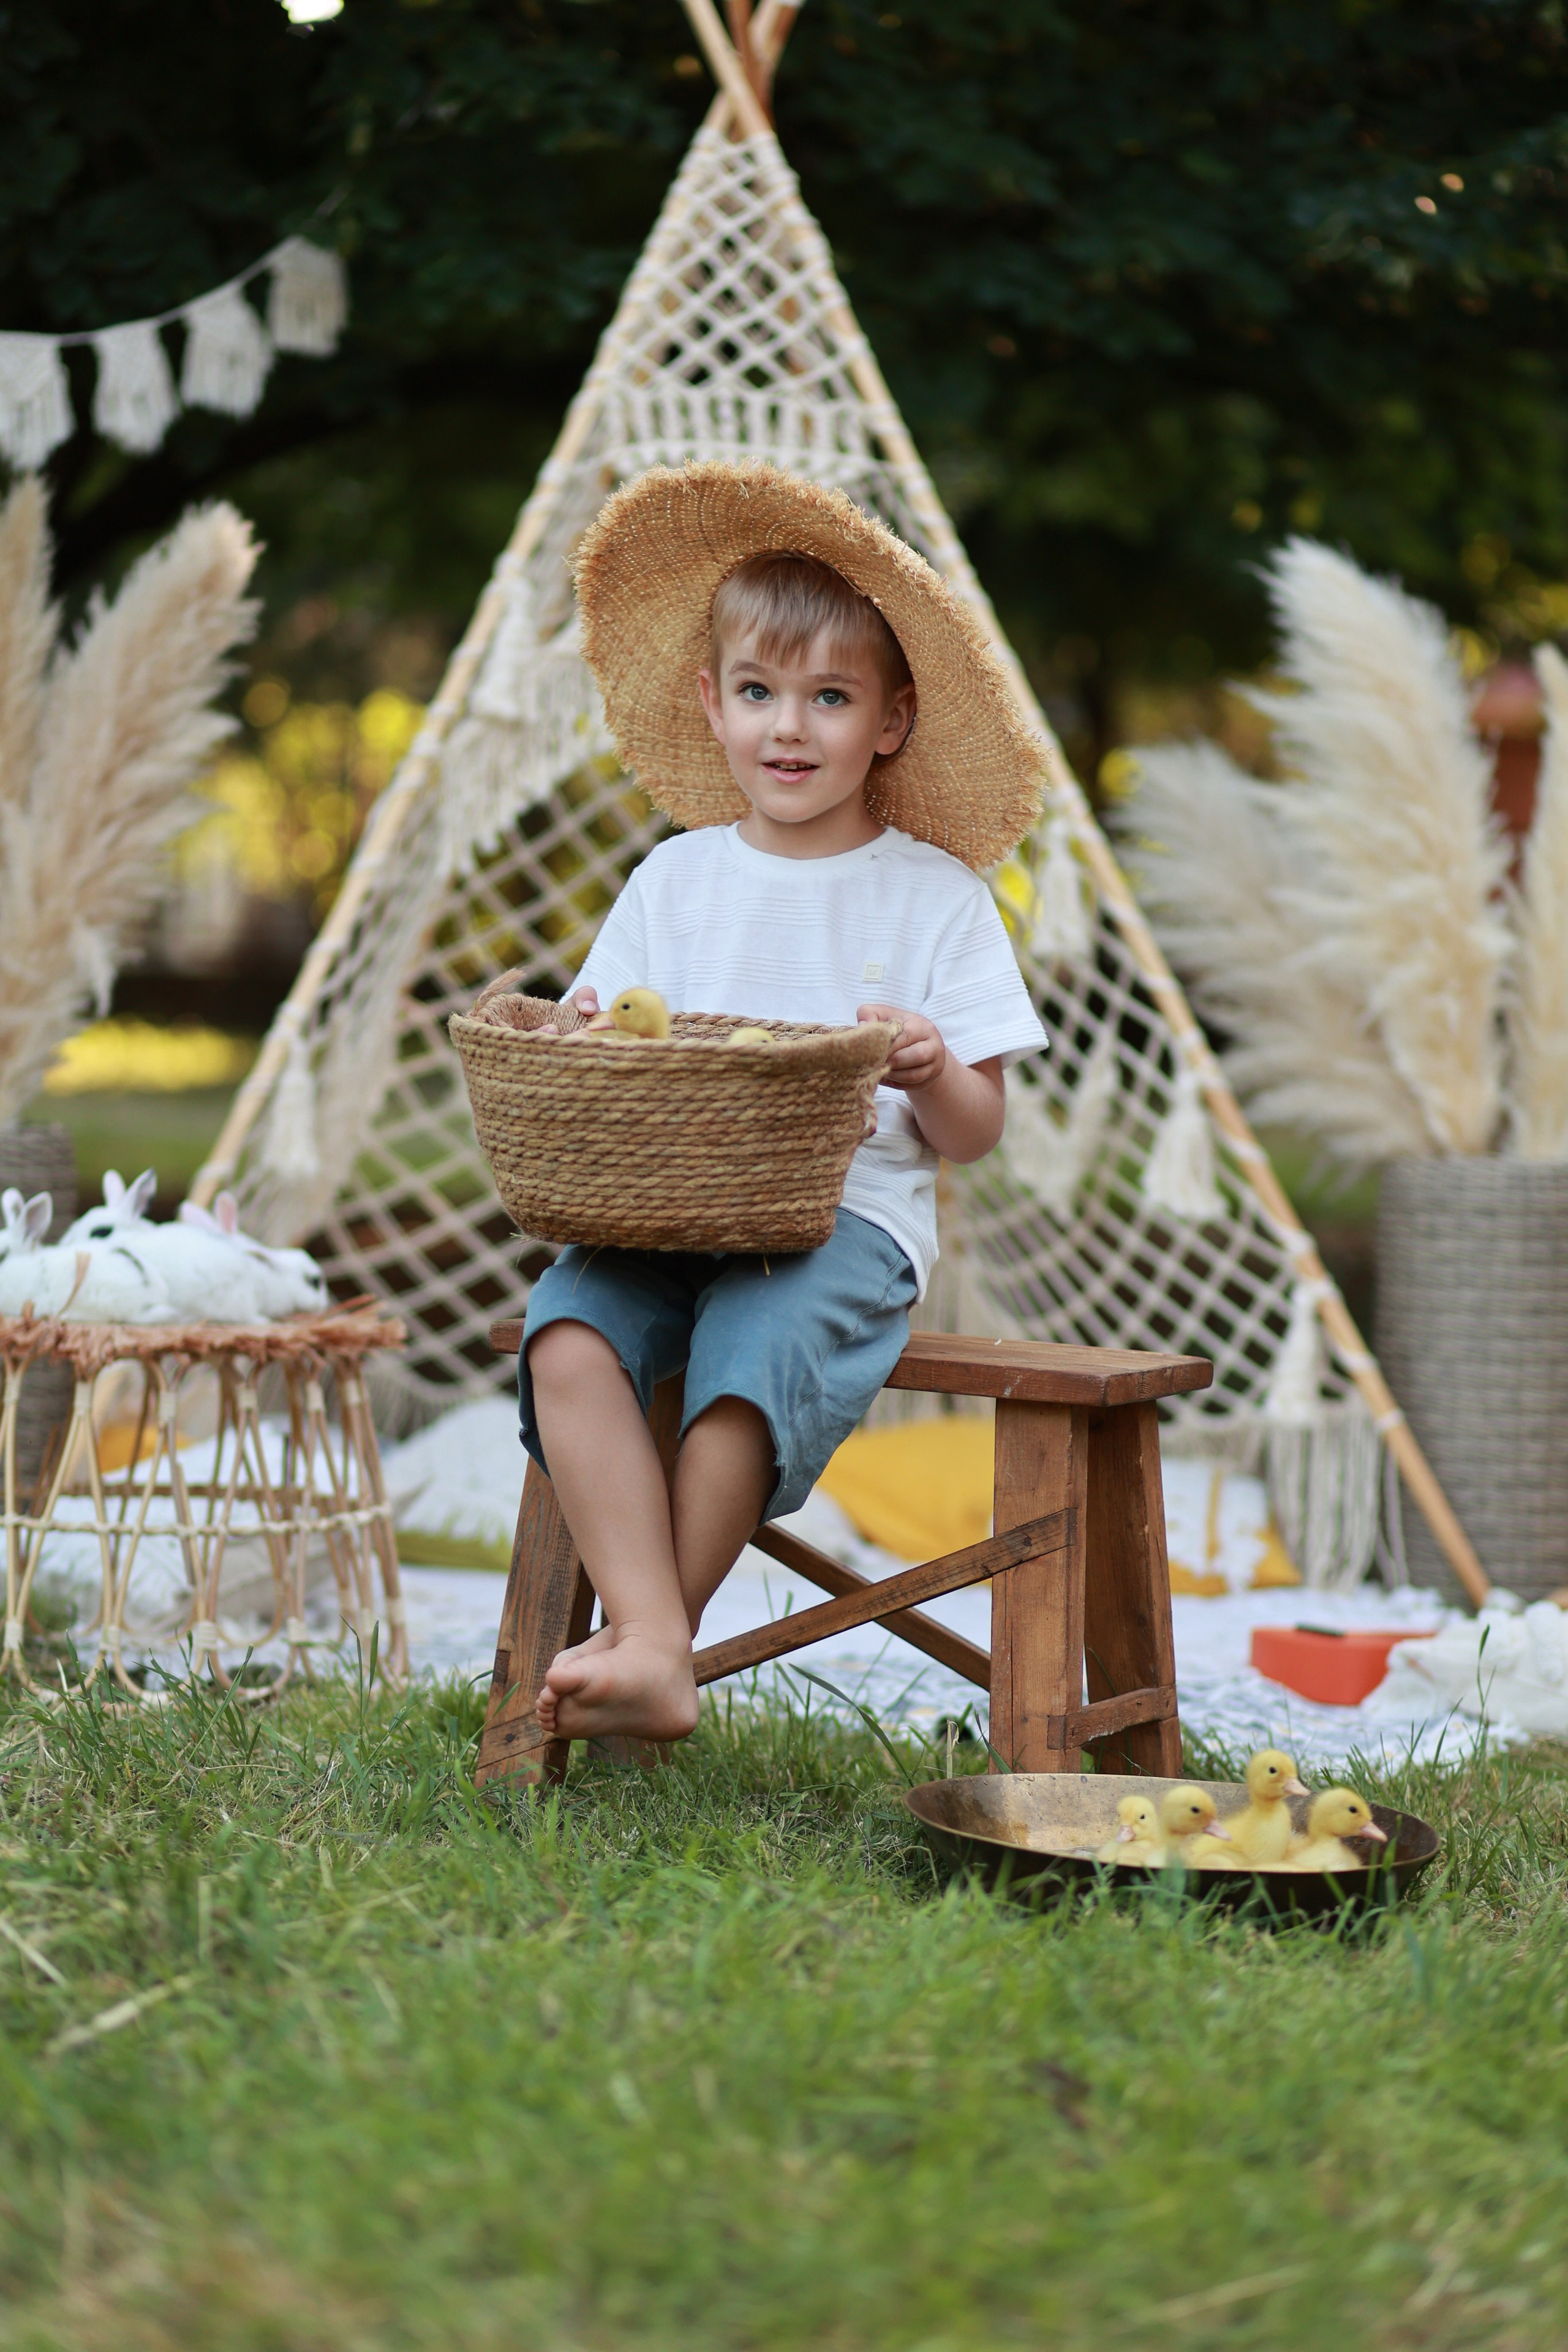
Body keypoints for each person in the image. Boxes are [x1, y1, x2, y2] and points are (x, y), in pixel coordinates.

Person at [521, 458, 1047, 1745]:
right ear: (711, 705)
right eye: (757, 694)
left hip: (844, 1226)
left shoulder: (932, 895)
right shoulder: (675, 881)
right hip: (665, 1213)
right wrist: (590, 1041)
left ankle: (654, 1639)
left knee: (749, 1367)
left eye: (828, 698)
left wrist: (930, 1068)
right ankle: (649, 1637)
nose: (788, 728)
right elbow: (606, 1048)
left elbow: (976, 1135)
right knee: (566, 1335)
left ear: (891, 721)